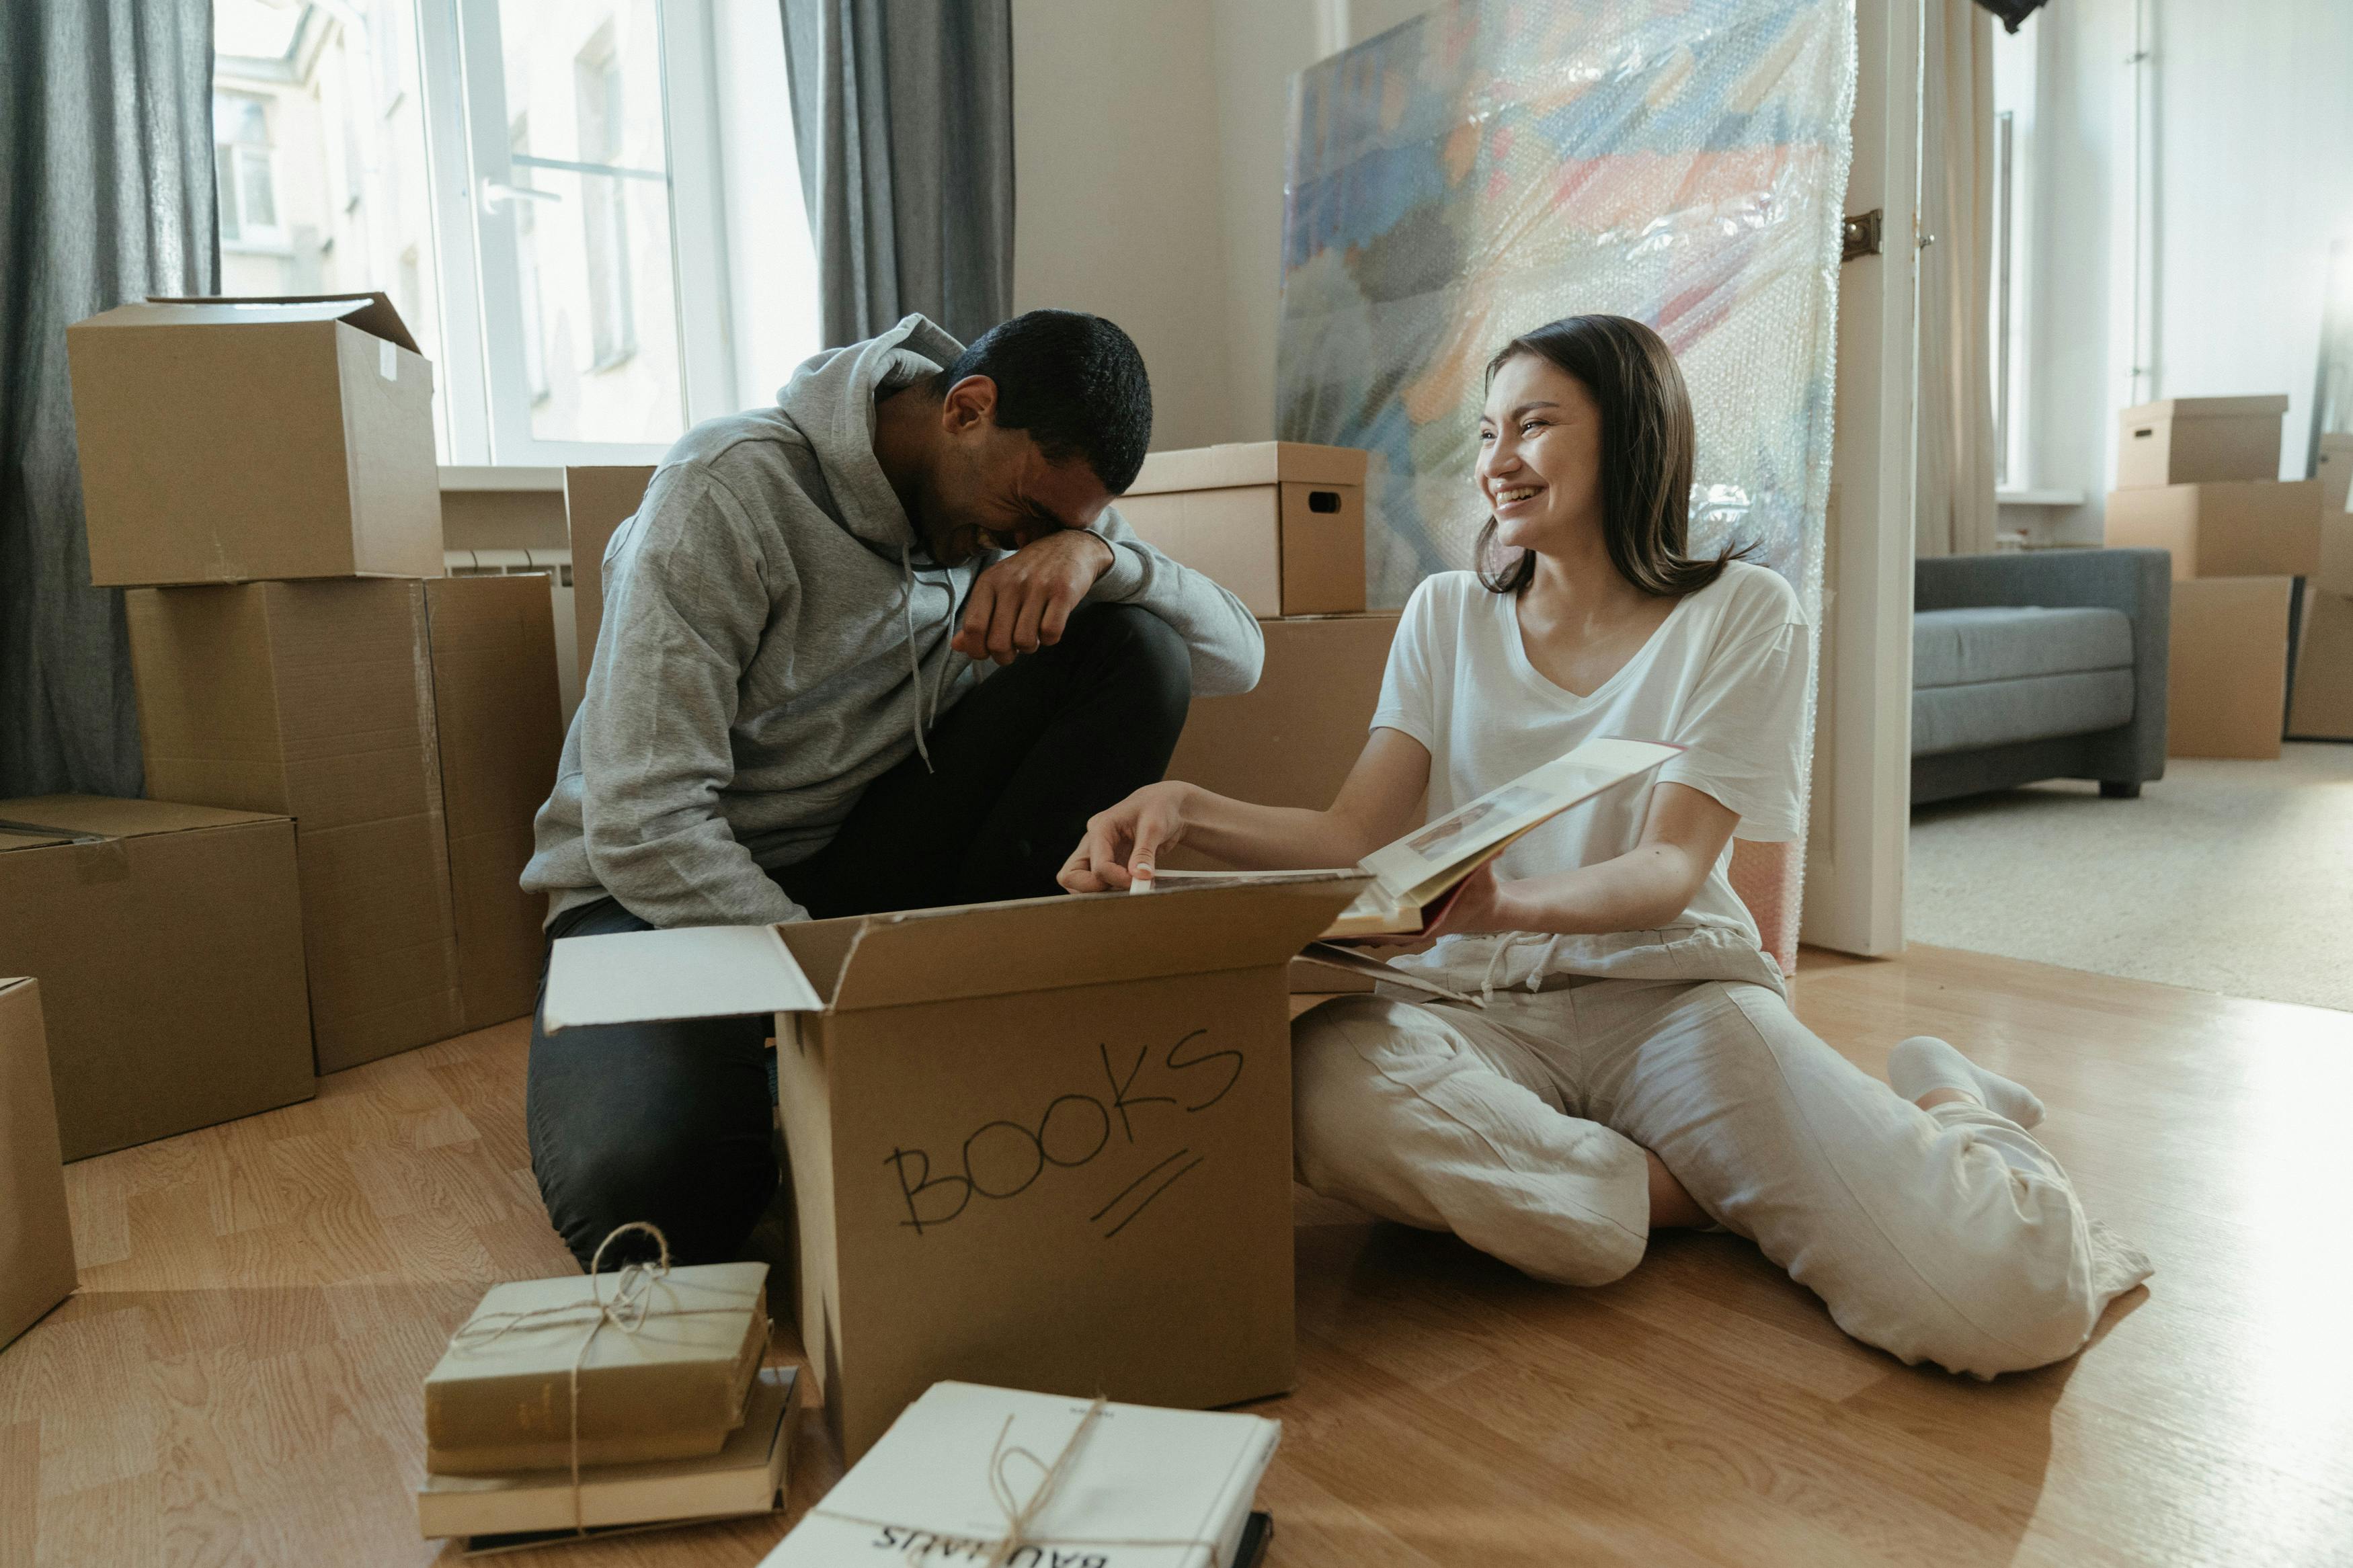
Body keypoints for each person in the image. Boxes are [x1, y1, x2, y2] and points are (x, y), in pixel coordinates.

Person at [1060, 314, 2151, 1377]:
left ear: (1632, 432)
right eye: (1487, 433)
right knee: (1325, 1080)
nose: (1499, 460)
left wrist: (1507, 905)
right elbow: (1350, 833)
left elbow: (1670, 869)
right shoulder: (1445, 616)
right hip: (1473, 1008)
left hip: (1673, 999)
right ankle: (1699, 1191)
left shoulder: (1742, 613)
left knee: (2004, 1300)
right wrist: (1185, 807)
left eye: (1534, 426)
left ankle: (1951, 1106)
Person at [522, 310, 1261, 1269]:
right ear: (966, 409)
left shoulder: (1035, 495)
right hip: (654, 899)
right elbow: (644, 822)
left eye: (1058, 529)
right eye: (1030, 517)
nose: (1022, 543)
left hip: (855, 858)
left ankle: (974, 1014)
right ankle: (798, 1068)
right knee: (657, 1208)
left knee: (1142, 650)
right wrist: (830, 993)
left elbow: (1236, 655)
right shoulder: (724, 492)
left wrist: (1101, 557)